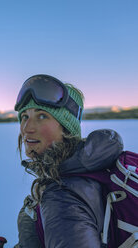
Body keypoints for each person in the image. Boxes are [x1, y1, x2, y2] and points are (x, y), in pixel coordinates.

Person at [13, 74, 123, 247]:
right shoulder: (86, 170)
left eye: (42, 116)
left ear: (66, 128)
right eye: (25, 116)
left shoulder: (62, 195)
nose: (27, 128)